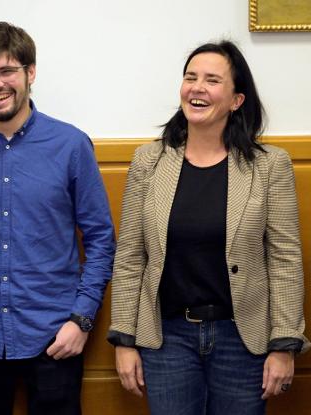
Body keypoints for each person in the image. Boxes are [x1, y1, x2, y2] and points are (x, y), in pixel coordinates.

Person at [107, 40, 309, 414]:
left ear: (236, 100)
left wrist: (284, 345)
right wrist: (124, 340)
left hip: (243, 339)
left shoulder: (270, 167)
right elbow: (131, 257)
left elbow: (285, 261)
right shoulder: (148, 162)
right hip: (167, 339)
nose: (197, 87)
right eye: (190, 77)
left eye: (212, 80)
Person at [0, 21, 116, 415]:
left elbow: (101, 240)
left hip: (54, 336)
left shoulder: (70, 145)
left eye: (6, 71)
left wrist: (81, 320)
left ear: (30, 73)